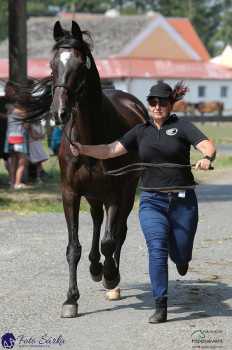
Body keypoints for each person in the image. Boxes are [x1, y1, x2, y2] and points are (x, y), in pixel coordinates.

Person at [69, 81, 216, 324]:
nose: (157, 107)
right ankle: (161, 305)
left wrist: (207, 158)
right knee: (156, 249)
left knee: (181, 253)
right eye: (153, 102)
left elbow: (207, 145)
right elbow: (109, 150)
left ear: (170, 105)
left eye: (162, 103)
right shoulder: (140, 131)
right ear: (148, 105)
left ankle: (182, 259)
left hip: (182, 201)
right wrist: (83, 148)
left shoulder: (182, 127)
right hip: (152, 201)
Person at [4, 104, 29, 189]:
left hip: (10, 140)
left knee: (13, 164)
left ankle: (12, 183)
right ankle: (17, 183)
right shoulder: (22, 114)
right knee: (22, 163)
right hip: (20, 139)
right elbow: (26, 125)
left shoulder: (10, 112)